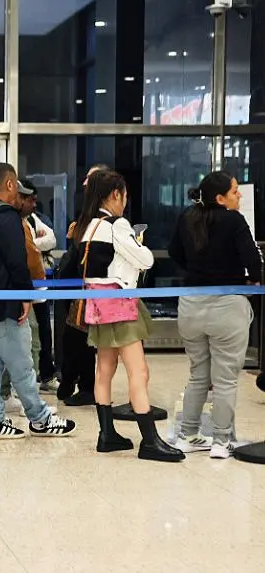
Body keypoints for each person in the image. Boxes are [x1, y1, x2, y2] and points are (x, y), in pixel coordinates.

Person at [73, 169, 182, 462]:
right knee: (139, 371)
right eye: (123, 195)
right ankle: (149, 440)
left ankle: (106, 434)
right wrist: (138, 241)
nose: (125, 201)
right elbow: (145, 259)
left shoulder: (87, 225)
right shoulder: (117, 225)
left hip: (97, 304)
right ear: (114, 195)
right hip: (119, 302)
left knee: (104, 370)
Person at [0, 163, 76, 440]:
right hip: (4, 302)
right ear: (10, 185)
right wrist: (24, 296)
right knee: (22, 363)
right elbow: (17, 261)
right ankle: (39, 418)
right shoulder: (7, 217)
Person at [169, 171, 262, 459]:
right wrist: (254, 281)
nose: (240, 195)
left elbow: (174, 252)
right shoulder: (233, 219)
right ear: (220, 198)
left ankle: (188, 434)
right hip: (227, 306)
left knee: (198, 375)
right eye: (235, 191)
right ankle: (221, 442)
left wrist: (198, 270)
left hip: (191, 305)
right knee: (225, 379)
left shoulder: (188, 216)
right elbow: (252, 259)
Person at [57, 165, 106, 406]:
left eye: (90, 179)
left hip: (94, 289)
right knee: (75, 337)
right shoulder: (85, 214)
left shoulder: (101, 218)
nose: (84, 184)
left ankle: (87, 386)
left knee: (83, 339)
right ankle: (74, 380)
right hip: (78, 288)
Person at [19, 179, 59, 393]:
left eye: (34, 199)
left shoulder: (33, 219)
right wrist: (35, 244)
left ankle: (46, 375)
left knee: (44, 333)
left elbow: (52, 239)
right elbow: (27, 249)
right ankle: (29, 385)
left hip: (40, 288)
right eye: (28, 199)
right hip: (25, 288)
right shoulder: (14, 220)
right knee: (31, 336)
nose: (33, 204)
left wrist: (34, 243)